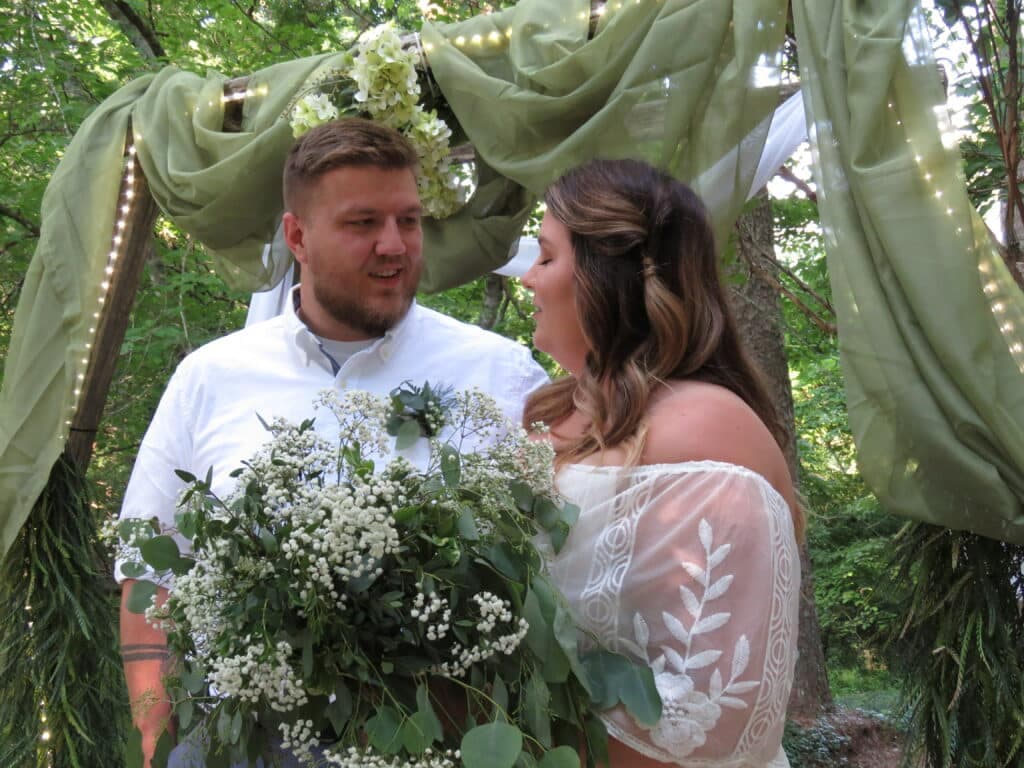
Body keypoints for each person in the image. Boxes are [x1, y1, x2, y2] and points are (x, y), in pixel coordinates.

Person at [116, 117, 549, 767]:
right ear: (298, 237)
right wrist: (157, 741)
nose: (395, 245)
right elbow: (150, 574)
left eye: (408, 220)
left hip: (441, 743)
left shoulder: (500, 376)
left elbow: (557, 568)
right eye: (362, 223)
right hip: (239, 744)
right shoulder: (210, 378)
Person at [521, 158, 802, 767]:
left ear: (604, 273)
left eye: (545, 256)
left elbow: (710, 723)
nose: (527, 279)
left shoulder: (709, 427)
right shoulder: (549, 412)